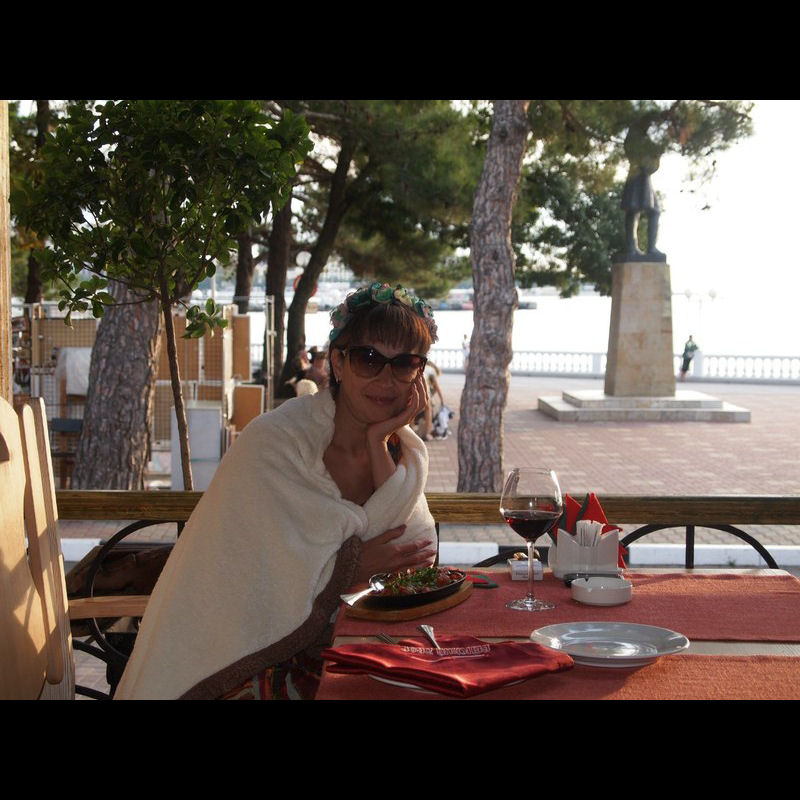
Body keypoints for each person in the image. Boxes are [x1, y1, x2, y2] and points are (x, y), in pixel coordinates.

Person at [115, 282, 439, 700]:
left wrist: (378, 440)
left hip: (350, 650)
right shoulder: (274, 441)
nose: (386, 379)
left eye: (404, 363)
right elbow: (253, 579)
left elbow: (410, 552)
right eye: (369, 359)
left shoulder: (401, 454)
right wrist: (350, 569)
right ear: (338, 362)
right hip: (245, 661)